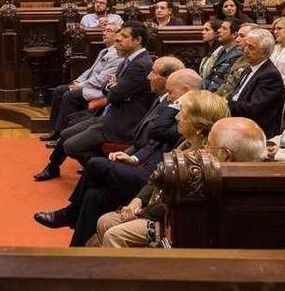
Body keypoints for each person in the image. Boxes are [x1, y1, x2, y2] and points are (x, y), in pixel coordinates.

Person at [35, 66, 202, 247]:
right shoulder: (173, 105)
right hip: (143, 166)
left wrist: (176, 104)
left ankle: (71, 213)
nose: (169, 97)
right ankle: (77, 252)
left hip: (151, 177)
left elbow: (158, 132)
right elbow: (152, 144)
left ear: (186, 91)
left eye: (172, 92)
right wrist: (133, 157)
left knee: (95, 164)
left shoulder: (192, 115)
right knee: (93, 195)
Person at [95, 116, 266, 247]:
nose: (205, 149)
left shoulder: (203, 176)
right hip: (178, 225)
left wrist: (139, 213)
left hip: (173, 231)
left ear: (226, 155)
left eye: (210, 146)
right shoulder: (264, 180)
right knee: (106, 223)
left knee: (115, 235)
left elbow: (176, 216)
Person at [35, 21, 156, 180]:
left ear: (137, 40)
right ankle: (53, 167)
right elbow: (112, 88)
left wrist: (112, 87)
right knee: (65, 133)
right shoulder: (128, 60)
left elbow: (113, 95)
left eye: (123, 38)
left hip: (123, 124)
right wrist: (112, 87)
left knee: (71, 146)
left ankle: (106, 171)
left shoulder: (140, 64)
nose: (117, 42)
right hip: (110, 116)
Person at [41, 23, 123, 143]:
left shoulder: (117, 55)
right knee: (59, 90)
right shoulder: (105, 51)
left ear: (117, 35)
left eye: (109, 31)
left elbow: (102, 79)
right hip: (89, 85)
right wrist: (78, 81)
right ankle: (55, 130)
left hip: (99, 90)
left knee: (69, 95)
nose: (104, 33)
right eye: (104, 30)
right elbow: (91, 70)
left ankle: (63, 135)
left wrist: (81, 86)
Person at [227, 28, 285, 138]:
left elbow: (253, 109)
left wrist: (226, 104)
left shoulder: (270, 76)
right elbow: (236, 95)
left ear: (264, 52)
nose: (245, 50)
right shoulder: (249, 68)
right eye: (246, 45)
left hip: (255, 132)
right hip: (239, 121)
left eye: (251, 47)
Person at [215, 22, 259, 97]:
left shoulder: (255, 62)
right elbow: (226, 83)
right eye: (238, 36)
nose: (237, 40)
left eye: (242, 36)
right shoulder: (240, 58)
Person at [202, 18, 243, 92]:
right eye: (220, 27)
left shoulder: (238, 54)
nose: (218, 30)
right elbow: (212, 75)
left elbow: (226, 81)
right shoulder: (222, 50)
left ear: (234, 34)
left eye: (224, 28)